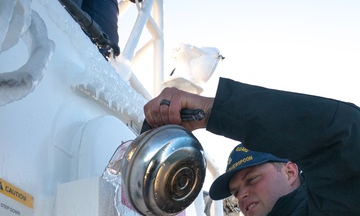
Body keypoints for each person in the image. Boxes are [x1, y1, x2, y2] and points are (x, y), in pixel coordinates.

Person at [143, 77, 360, 216]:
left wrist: (211, 111)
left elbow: (344, 141)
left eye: (252, 179)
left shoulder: (331, 207)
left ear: (291, 171)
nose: (242, 196)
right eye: (235, 192)